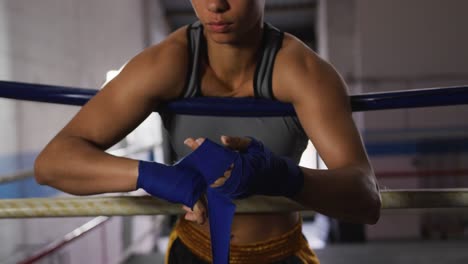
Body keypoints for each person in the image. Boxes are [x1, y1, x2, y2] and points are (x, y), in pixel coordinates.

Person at [34, 0, 381, 263]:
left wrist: (280, 177)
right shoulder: (168, 63)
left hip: (280, 254)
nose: (216, 5)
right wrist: (151, 175)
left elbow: (366, 198)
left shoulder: (302, 71)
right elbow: (52, 164)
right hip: (192, 251)